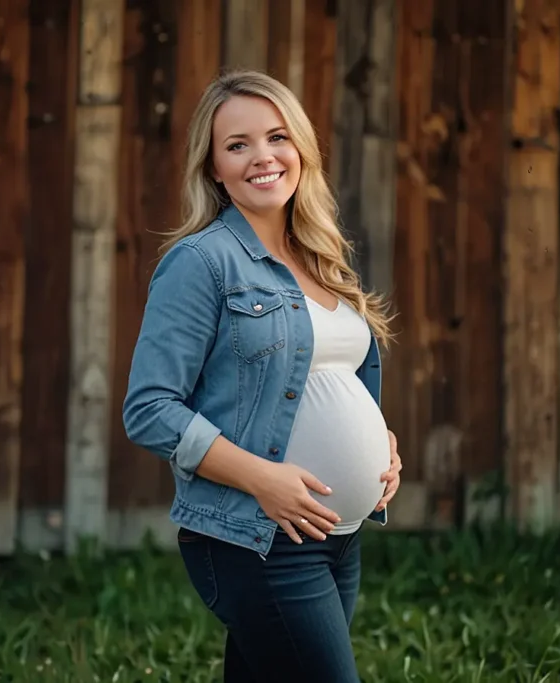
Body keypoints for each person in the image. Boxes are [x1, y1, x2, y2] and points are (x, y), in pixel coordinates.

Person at [122, 69, 403, 683]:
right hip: (259, 541)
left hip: (339, 536)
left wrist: (382, 443)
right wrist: (264, 481)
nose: (263, 157)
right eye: (237, 144)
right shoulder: (200, 263)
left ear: (301, 147)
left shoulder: (321, 256)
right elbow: (150, 408)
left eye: (277, 137)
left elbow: (335, 375)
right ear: (214, 168)